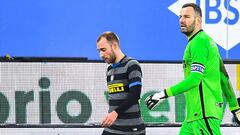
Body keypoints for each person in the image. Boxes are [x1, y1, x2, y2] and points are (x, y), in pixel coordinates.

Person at [145, 3, 240, 135]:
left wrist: (162, 94)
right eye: (180, 17)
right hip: (193, 117)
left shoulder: (199, 42)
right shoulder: (205, 41)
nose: (181, 20)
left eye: (187, 17)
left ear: (198, 20)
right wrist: (235, 107)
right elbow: (223, 76)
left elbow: (195, 79)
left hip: (203, 114)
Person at [97, 31, 145, 135]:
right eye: (99, 51)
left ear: (114, 46)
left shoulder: (132, 65)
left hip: (132, 129)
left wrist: (115, 113)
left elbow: (135, 94)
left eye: (103, 50)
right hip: (113, 127)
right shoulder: (109, 70)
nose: (101, 55)